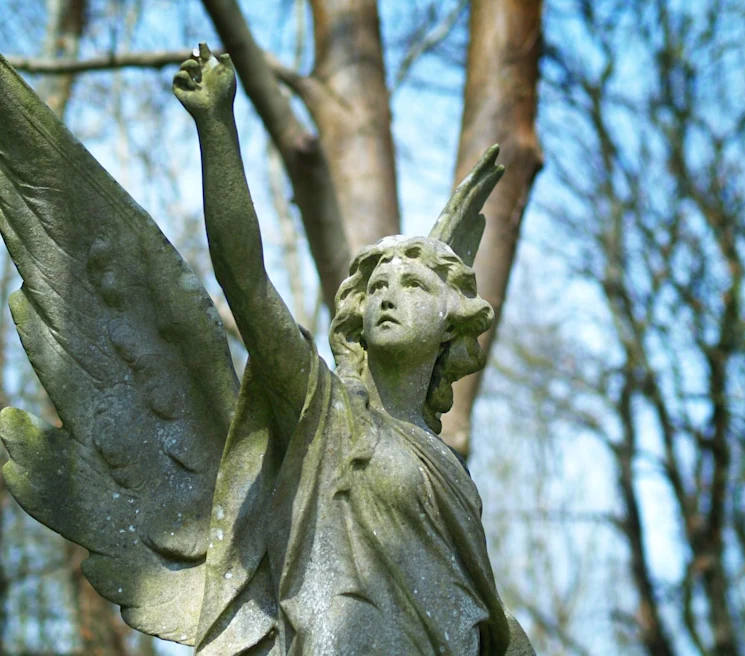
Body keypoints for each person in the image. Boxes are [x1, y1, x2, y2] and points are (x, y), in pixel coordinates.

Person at [174, 46, 534, 655]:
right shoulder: (327, 414)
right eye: (376, 289)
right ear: (357, 320)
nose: (388, 296)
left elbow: (475, 611)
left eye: (413, 286)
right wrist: (217, 127)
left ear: (452, 323)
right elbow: (247, 280)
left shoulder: (451, 472)